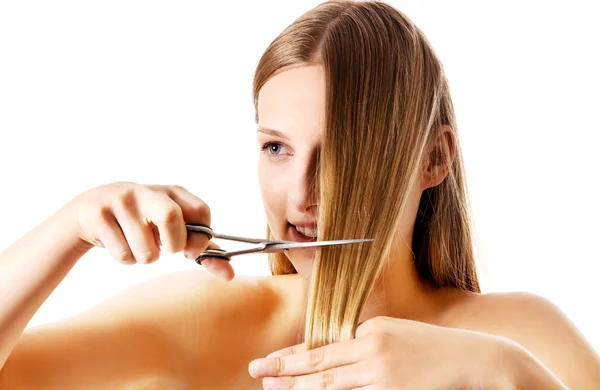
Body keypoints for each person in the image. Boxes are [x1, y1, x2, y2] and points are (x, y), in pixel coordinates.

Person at [1, 1, 598, 388]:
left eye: (340, 151)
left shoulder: (517, 335)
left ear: (434, 159)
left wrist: (503, 374)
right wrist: (68, 229)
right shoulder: (216, 319)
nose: (302, 194)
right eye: (277, 149)